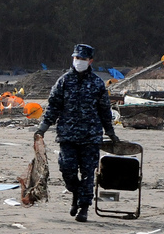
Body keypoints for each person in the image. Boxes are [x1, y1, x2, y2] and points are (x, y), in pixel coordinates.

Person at [34, 44, 118, 222]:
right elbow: (53, 106)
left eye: (83, 59)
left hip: (91, 136)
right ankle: (75, 194)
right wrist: (43, 127)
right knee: (68, 170)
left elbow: (104, 110)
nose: (79, 62)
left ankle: (84, 208)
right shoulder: (64, 81)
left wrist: (110, 132)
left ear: (90, 61)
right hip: (68, 135)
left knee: (88, 173)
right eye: (76, 58)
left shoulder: (97, 84)